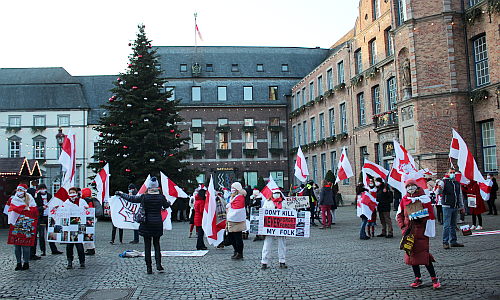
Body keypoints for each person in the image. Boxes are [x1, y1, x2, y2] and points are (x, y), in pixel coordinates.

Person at [116, 177, 171, 274]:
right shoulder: (161, 197)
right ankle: (158, 264)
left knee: (147, 246)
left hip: (146, 223)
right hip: (157, 223)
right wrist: (168, 203)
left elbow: (131, 199)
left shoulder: (144, 197)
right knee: (157, 244)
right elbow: (166, 205)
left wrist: (121, 194)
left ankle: (149, 267)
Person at [397, 178, 440, 289]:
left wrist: (422, 219)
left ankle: (434, 278)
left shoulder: (424, 199)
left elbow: (430, 215)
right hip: (409, 232)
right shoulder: (404, 199)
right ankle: (418, 278)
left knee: (424, 255)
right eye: (408, 186)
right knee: (412, 256)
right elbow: (399, 215)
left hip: (421, 231)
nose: (410, 188)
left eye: (412, 185)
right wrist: (403, 227)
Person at [8, 183, 37, 270]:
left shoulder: (29, 198)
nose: (19, 192)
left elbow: (34, 209)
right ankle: (18, 263)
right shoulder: (14, 199)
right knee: (17, 245)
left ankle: (26, 262)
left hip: (26, 223)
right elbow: (11, 209)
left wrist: (27, 209)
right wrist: (21, 209)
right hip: (16, 223)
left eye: (21, 190)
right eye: (18, 190)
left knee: (25, 245)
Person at [438, 168, 465, 249]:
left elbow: (459, 195)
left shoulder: (457, 183)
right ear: (448, 173)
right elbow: (439, 192)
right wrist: (439, 189)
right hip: (447, 206)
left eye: (453, 172)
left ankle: (453, 241)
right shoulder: (444, 181)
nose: (452, 174)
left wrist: (462, 206)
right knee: (446, 225)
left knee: (453, 225)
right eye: (451, 172)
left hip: (455, 206)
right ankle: (445, 242)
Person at [261, 189, 287, 269]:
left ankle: (282, 261)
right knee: (267, 244)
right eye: (275, 193)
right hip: (270, 226)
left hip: (281, 226)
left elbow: (290, 212)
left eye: (278, 193)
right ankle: (264, 262)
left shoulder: (284, 202)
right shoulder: (267, 202)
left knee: (282, 244)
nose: (276, 195)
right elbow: (263, 212)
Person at [34, 184, 63, 256]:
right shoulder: (36, 196)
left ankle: (54, 249)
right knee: (41, 235)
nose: (43, 190)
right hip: (41, 217)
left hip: (49, 216)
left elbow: (53, 204)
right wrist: (41, 208)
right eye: (41, 188)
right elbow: (35, 207)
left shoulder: (50, 196)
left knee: (51, 233)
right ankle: (43, 250)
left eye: (44, 188)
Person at [64, 187, 89, 269]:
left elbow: (88, 210)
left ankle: (82, 262)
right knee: (69, 246)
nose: (72, 194)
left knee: (79, 245)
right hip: (70, 227)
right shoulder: (66, 202)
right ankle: (69, 261)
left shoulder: (81, 201)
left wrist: (86, 209)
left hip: (79, 226)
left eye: (73, 192)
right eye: (70, 192)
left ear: (77, 193)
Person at [226, 182, 247, 260]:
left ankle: (239, 253)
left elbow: (237, 209)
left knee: (237, 237)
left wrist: (230, 211)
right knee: (231, 237)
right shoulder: (233, 197)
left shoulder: (239, 197)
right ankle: (236, 251)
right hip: (231, 220)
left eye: (233, 187)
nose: (231, 189)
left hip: (237, 220)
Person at [81, 188, 97, 255]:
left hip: (88, 218)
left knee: (87, 233)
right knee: (89, 233)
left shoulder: (86, 200)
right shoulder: (92, 199)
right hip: (92, 218)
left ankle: (91, 249)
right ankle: (90, 249)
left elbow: (88, 209)